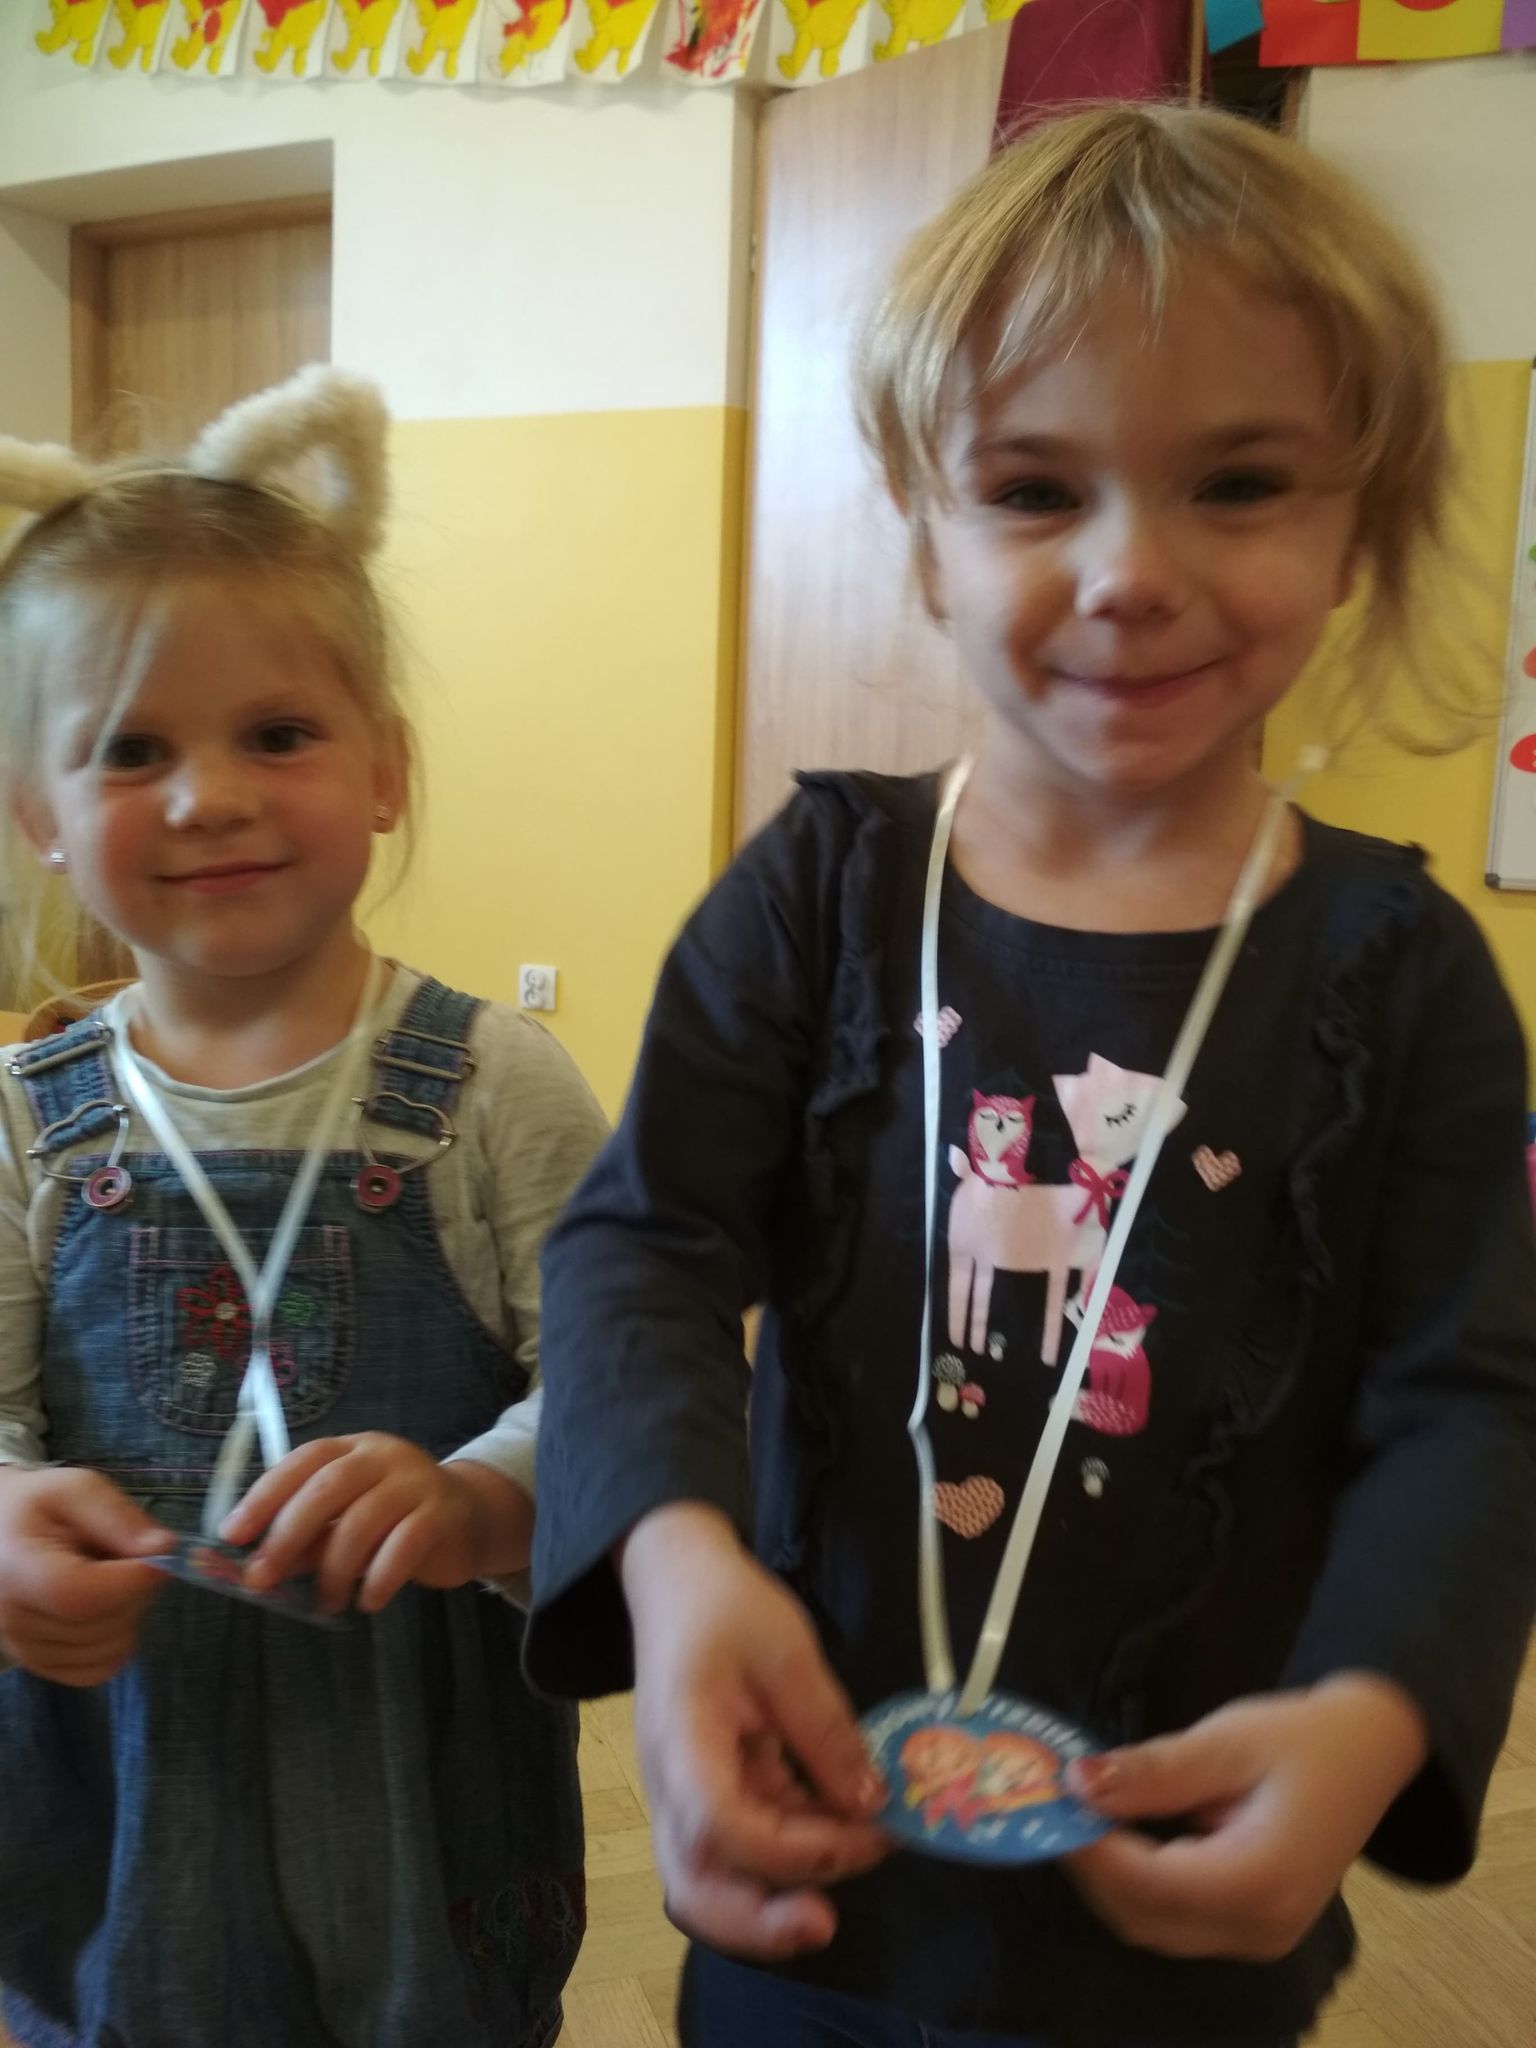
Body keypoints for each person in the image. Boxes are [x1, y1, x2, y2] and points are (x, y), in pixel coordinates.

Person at [523, 104, 1536, 2048]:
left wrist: (1376, 1709)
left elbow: (1468, 1402)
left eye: (1239, 482)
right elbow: (643, 1246)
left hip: (1191, 1907)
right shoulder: (817, 895)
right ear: (926, 531)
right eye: (1033, 487)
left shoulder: (1401, 975)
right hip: (806, 1863)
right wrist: (672, 1558)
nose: (1129, 570)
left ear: (1362, 524)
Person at [0, 367, 606, 2048]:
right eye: (131, 749)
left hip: (430, 1822)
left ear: (386, 767)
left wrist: (481, 1501)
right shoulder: (24, 1119)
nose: (208, 794)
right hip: (116, 1823)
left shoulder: (495, 1088)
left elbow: (637, 1397)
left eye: (276, 733)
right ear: (40, 812)